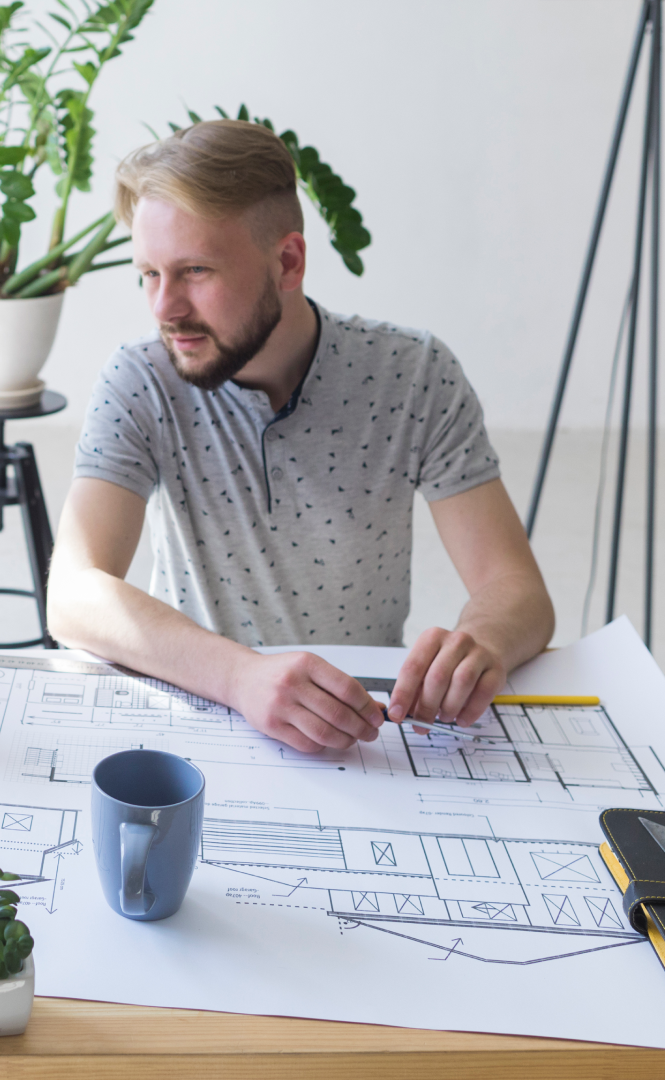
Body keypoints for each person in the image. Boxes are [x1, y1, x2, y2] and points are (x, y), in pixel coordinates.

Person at [46, 120, 555, 753]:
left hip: (365, 727)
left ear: (288, 261)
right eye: (148, 274)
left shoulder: (415, 373)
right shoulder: (141, 379)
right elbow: (72, 593)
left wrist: (482, 642)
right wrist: (239, 676)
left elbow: (518, 591)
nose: (164, 308)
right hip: (201, 711)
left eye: (195, 271)